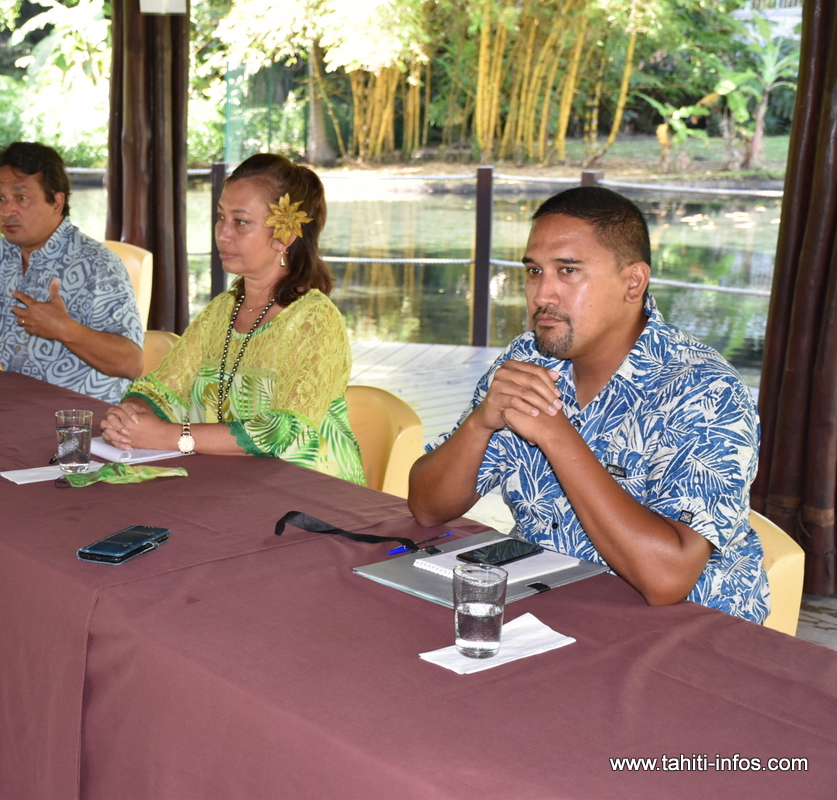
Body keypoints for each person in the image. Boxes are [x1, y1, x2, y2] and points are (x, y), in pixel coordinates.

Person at [408, 186, 769, 622]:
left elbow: (668, 580)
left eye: (568, 271)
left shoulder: (705, 392)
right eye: (534, 271)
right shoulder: (527, 360)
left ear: (633, 282)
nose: (542, 295)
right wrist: (480, 425)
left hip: (687, 638)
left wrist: (559, 437)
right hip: (547, 610)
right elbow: (427, 508)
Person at [99, 153, 365, 485]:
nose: (222, 234)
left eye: (240, 222)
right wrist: (131, 415)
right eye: (220, 217)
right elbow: (161, 389)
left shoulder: (314, 321)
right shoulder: (222, 310)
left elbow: (281, 431)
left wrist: (167, 436)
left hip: (309, 494)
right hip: (228, 484)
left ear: (285, 235)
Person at [0, 142, 143, 402]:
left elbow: (132, 364)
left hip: (83, 419)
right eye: (0, 198)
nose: (6, 210)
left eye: (21, 197)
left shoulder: (97, 265)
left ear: (56, 202)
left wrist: (66, 330)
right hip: (14, 406)